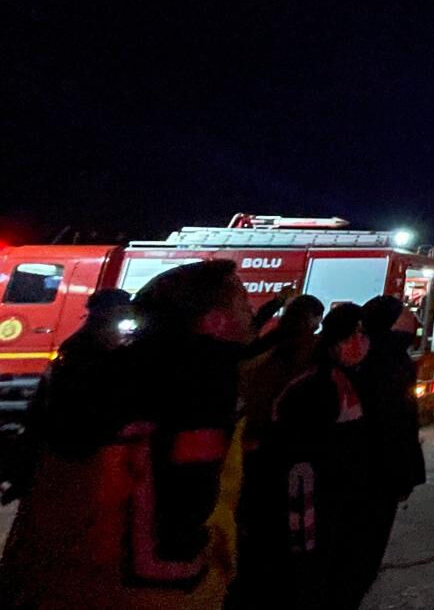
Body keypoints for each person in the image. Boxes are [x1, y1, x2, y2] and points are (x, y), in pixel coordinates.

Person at [0, 260, 253, 610]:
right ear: (214, 320)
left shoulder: (111, 367)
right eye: (241, 302)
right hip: (152, 589)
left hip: (60, 576)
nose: (252, 311)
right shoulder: (200, 384)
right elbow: (187, 503)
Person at [268, 302, 374, 610]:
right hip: (316, 496)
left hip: (334, 496)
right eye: (357, 332)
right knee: (310, 573)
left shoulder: (339, 376)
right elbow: (311, 447)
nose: (362, 341)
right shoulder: (319, 382)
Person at [228, 293, 323, 610]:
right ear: (311, 320)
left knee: (251, 520)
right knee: (279, 525)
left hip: (247, 441)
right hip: (279, 446)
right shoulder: (306, 352)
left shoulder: (263, 345)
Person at [2, 288, 136, 504]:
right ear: (106, 313)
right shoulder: (87, 350)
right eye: (121, 311)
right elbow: (82, 400)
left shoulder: (83, 345)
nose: (125, 316)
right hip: (76, 447)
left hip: (72, 444)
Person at [351, 295, 427, 596]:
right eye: (406, 313)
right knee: (364, 547)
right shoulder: (386, 363)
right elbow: (395, 425)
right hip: (377, 473)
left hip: (378, 471)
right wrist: (404, 473)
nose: (412, 318)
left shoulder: (383, 357)